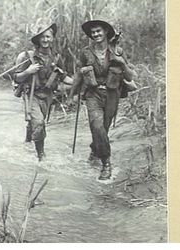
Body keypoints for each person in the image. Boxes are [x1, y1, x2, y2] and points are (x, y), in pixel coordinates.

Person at [68, 20, 135, 180]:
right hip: (93, 95)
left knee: (103, 129)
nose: (96, 34)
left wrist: (122, 63)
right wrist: (72, 95)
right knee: (97, 126)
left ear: (105, 32)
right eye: (93, 32)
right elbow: (78, 75)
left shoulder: (118, 51)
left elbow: (129, 76)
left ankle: (94, 148)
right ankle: (106, 164)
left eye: (98, 31)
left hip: (112, 95)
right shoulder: (85, 52)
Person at [12, 22, 73, 161]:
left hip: (48, 96)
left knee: (37, 122)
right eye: (42, 37)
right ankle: (41, 155)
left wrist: (78, 83)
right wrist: (28, 71)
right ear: (38, 39)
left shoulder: (56, 58)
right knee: (39, 123)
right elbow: (17, 78)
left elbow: (63, 77)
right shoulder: (27, 56)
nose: (45, 40)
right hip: (31, 94)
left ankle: (28, 138)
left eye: (48, 37)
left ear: (52, 38)